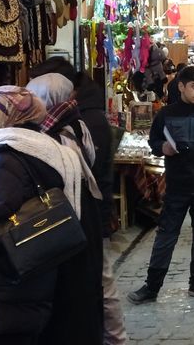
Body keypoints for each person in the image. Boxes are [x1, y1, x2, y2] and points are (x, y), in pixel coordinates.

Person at [0, 87, 86, 345]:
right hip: (32, 284)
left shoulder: (8, 161)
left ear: (7, 117)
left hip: (5, 293)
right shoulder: (41, 148)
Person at [28, 57, 125, 345]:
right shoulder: (73, 121)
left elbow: (90, 177)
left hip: (87, 218)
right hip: (85, 218)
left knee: (100, 284)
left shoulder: (80, 123)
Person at [128, 66, 194, 304]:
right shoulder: (166, 114)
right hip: (177, 187)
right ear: (181, 86)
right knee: (166, 236)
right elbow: (154, 141)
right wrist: (164, 148)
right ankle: (152, 286)